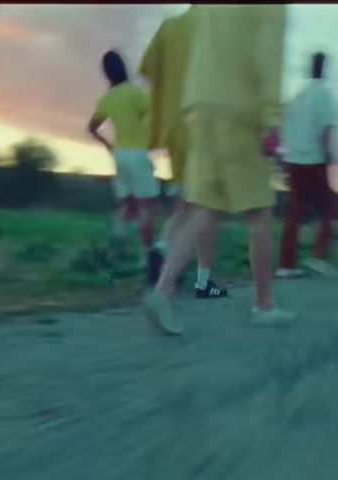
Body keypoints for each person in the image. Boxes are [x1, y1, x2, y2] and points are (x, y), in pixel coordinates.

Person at [144, 5, 293, 335]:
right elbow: (269, 56)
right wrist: (272, 119)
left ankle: (163, 289)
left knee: (205, 206)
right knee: (259, 212)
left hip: (199, 105)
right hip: (239, 109)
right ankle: (263, 305)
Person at [138, 7, 228, 299]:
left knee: (183, 206)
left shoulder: (169, 27)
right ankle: (198, 280)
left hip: (173, 127)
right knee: (207, 209)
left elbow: (149, 73)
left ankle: (162, 251)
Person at [88, 51, 160, 275]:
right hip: (138, 154)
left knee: (126, 207)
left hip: (119, 155)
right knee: (147, 208)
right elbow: (156, 116)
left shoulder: (107, 98)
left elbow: (92, 127)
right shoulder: (137, 94)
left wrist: (108, 145)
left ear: (106, 73)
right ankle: (145, 258)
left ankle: (113, 252)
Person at [276, 51, 338, 280]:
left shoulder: (298, 96)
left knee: (293, 211)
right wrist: (327, 153)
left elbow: (283, 124)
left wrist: (284, 154)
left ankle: (286, 264)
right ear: (325, 68)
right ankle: (318, 256)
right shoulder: (325, 94)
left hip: (292, 158)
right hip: (313, 158)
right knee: (328, 208)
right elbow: (326, 128)